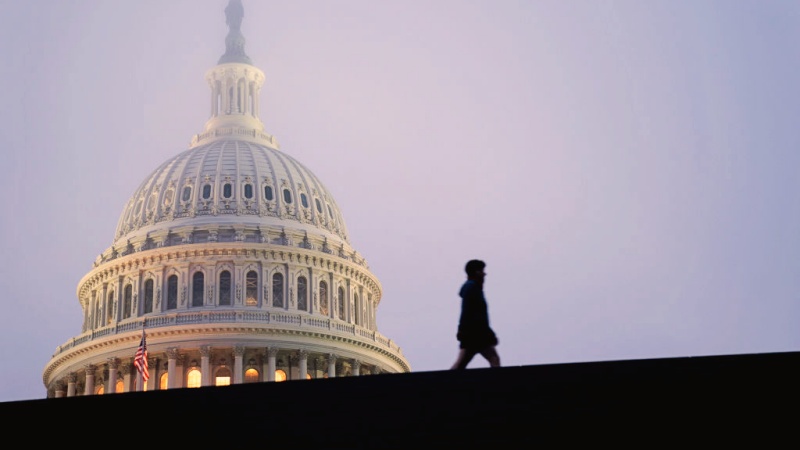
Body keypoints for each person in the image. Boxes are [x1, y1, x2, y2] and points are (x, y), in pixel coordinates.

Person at [450, 259, 501, 369]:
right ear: (477, 272)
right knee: (494, 359)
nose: (484, 274)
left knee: (460, 364)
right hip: (477, 335)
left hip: (473, 335)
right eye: (482, 271)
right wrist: (489, 334)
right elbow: (469, 312)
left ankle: (443, 384)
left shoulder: (472, 288)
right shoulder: (472, 288)